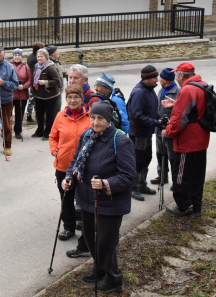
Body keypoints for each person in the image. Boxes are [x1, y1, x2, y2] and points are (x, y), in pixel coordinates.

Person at [62, 102, 136, 294]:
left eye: (100, 118)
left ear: (108, 119)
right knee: (89, 238)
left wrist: (106, 183)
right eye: (93, 117)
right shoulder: (86, 135)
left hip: (110, 202)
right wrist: (69, 177)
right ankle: (100, 269)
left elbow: (129, 175)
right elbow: (76, 160)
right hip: (87, 198)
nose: (95, 122)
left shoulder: (120, 141)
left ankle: (113, 279)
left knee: (105, 242)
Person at [162, 62, 211, 218]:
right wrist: (176, 104)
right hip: (201, 139)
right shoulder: (201, 85)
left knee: (181, 177)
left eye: (177, 74)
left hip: (187, 143)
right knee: (197, 176)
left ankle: (183, 207)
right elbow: (195, 111)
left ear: (181, 75)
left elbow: (178, 120)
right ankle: (196, 207)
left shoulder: (187, 90)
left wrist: (167, 132)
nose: (176, 78)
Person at [50, 85, 90, 242]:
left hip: (85, 166)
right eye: (70, 98)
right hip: (63, 165)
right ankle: (69, 227)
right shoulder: (60, 116)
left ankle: (87, 229)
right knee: (66, 198)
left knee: (84, 199)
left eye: (76, 97)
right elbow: (53, 137)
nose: (73, 100)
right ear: (66, 100)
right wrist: (55, 151)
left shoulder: (89, 117)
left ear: (82, 99)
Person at [127, 65, 161, 201]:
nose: (156, 80)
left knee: (147, 158)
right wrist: (155, 122)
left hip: (146, 132)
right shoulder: (139, 92)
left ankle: (142, 184)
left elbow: (151, 110)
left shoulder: (150, 90)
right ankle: (133, 188)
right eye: (154, 77)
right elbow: (136, 115)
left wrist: (159, 118)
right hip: (138, 133)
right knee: (137, 161)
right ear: (146, 78)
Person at [152, 68, 179, 185]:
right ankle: (162, 176)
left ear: (166, 80)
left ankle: (175, 180)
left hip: (170, 130)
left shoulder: (178, 92)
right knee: (160, 153)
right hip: (159, 128)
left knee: (172, 156)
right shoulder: (161, 90)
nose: (159, 80)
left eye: (161, 78)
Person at [31, 48, 62, 140]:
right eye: (38, 56)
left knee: (49, 116)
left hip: (50, 96)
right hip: (39, 95)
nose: (39, 58)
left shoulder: (50, 67)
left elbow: (57, 81)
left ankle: (48, 133)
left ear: (46, 57)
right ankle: (39, 131)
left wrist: (45, 82)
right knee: (39, 115)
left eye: (41, 56)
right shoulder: (37, 66)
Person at [10, 48, 32, 140]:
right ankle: (7, 130)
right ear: (13, 56)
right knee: (8, 114)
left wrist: (24, 86)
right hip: (10, 94)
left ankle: (18, 131)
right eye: (15, 55)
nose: (17, 57)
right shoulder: (8, 65)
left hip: (22, 94)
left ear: (21, 56)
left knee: (19, 114)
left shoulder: (26, 66)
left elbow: (30, 79)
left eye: (19, 55)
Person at [26, 41, 46, 122]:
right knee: (33, 98)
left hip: (32, 80)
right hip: (35, 81)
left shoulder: (31, 56)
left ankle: (32, 114)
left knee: (32, 98)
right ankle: (30, 115)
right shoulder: (36, 59)